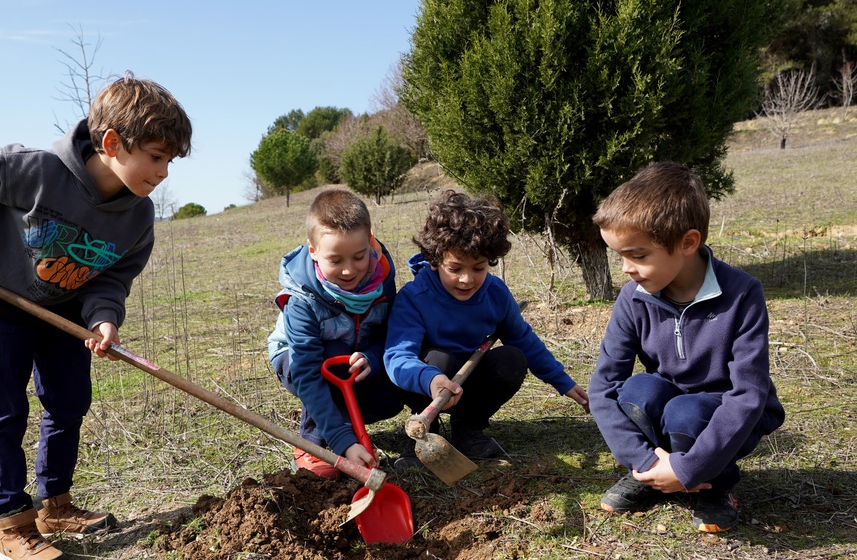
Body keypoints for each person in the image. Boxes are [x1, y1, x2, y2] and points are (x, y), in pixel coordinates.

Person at [0, 75, 192, 560]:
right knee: (3, 408)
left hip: (64, 312)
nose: (163, 172)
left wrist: (103, 318)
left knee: (69, 400)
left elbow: (113, 276)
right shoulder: (35, 170)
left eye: (170, 162)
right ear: (113, 142)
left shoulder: (137, 217)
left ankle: (55, 504)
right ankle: (12, 526)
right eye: (156, 157)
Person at [590, 162, 785, 533]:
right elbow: (603, 387)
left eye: (638, 255)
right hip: (669, 408)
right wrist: (642, 460)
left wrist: (689, 468)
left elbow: (747, 394)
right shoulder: (633, 297)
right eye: (620, 256)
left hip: (723, 412)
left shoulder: (742, 294)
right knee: (637, 390)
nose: (626, 269)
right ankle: (649, 477)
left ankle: (716, 485)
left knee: (686, 412)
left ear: (688, 243)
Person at [384, 190, 588, 471]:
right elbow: (397, 357)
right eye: (455, 268)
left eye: (478, 268)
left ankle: (468, 429)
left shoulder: (495, 294)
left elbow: (525, 340)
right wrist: (430, 380)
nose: (467, 279)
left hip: (471, 379)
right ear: (434, 259)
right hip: (428, 383)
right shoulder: (414, 297)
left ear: (490, 261)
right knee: (438, 360)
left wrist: (561, 381)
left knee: (513, 359)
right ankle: (422, 431)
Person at [268, 187, 402, 478]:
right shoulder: (301, 300)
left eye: (358, 256)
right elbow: (307, 373)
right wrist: (343, 442)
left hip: (354, 357)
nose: (348, 270)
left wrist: (373, 358)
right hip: (299, 361)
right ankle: (314, 443)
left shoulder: (382, 278)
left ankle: (343, 425)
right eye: (336, 260)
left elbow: (389, 333)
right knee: (331, 358)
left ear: (370, 242)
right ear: (313, 251)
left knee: (391, 396)